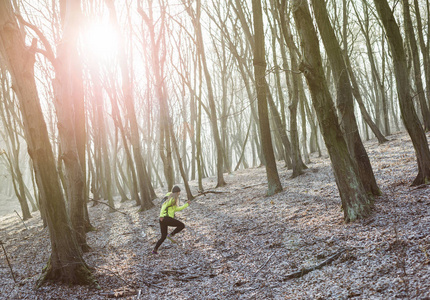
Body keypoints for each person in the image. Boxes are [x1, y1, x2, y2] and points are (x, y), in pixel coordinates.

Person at [152, 186, 190, 254]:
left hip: (162, 219)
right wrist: (161, 216)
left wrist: (186, 204)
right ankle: (171, 235)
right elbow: (163, 206)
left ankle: (155, 250)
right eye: (179, 192)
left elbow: (177, 209)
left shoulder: (171, 199)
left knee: (163, 236)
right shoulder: (171, 199)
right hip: (166, 218)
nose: (179, 193)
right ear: (176, 192)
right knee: (182, 225)